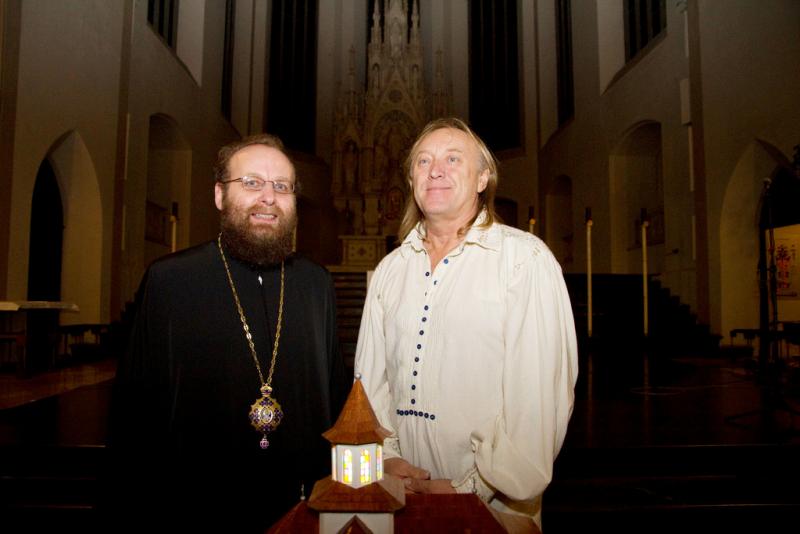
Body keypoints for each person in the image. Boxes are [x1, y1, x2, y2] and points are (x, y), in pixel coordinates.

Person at [108, 133, 348, 532]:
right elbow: (135, 414)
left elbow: (334, 395)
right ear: (220, 195)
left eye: (282, 186)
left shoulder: (315, 284)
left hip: (300, 504)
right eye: (252, 183)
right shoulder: (171, 281)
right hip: (197, 506)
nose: (268, 197)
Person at [354, 118, 578, 533]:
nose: (435, 170)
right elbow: (370, 384)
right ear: (412, 180)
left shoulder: (524, 261)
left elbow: (538, 400)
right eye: (423, 161)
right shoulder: (389, 270)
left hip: (495, 506)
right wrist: (386, 459)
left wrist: (471, 487)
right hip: (400, 494)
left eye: (453, 159)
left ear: (482, 178)